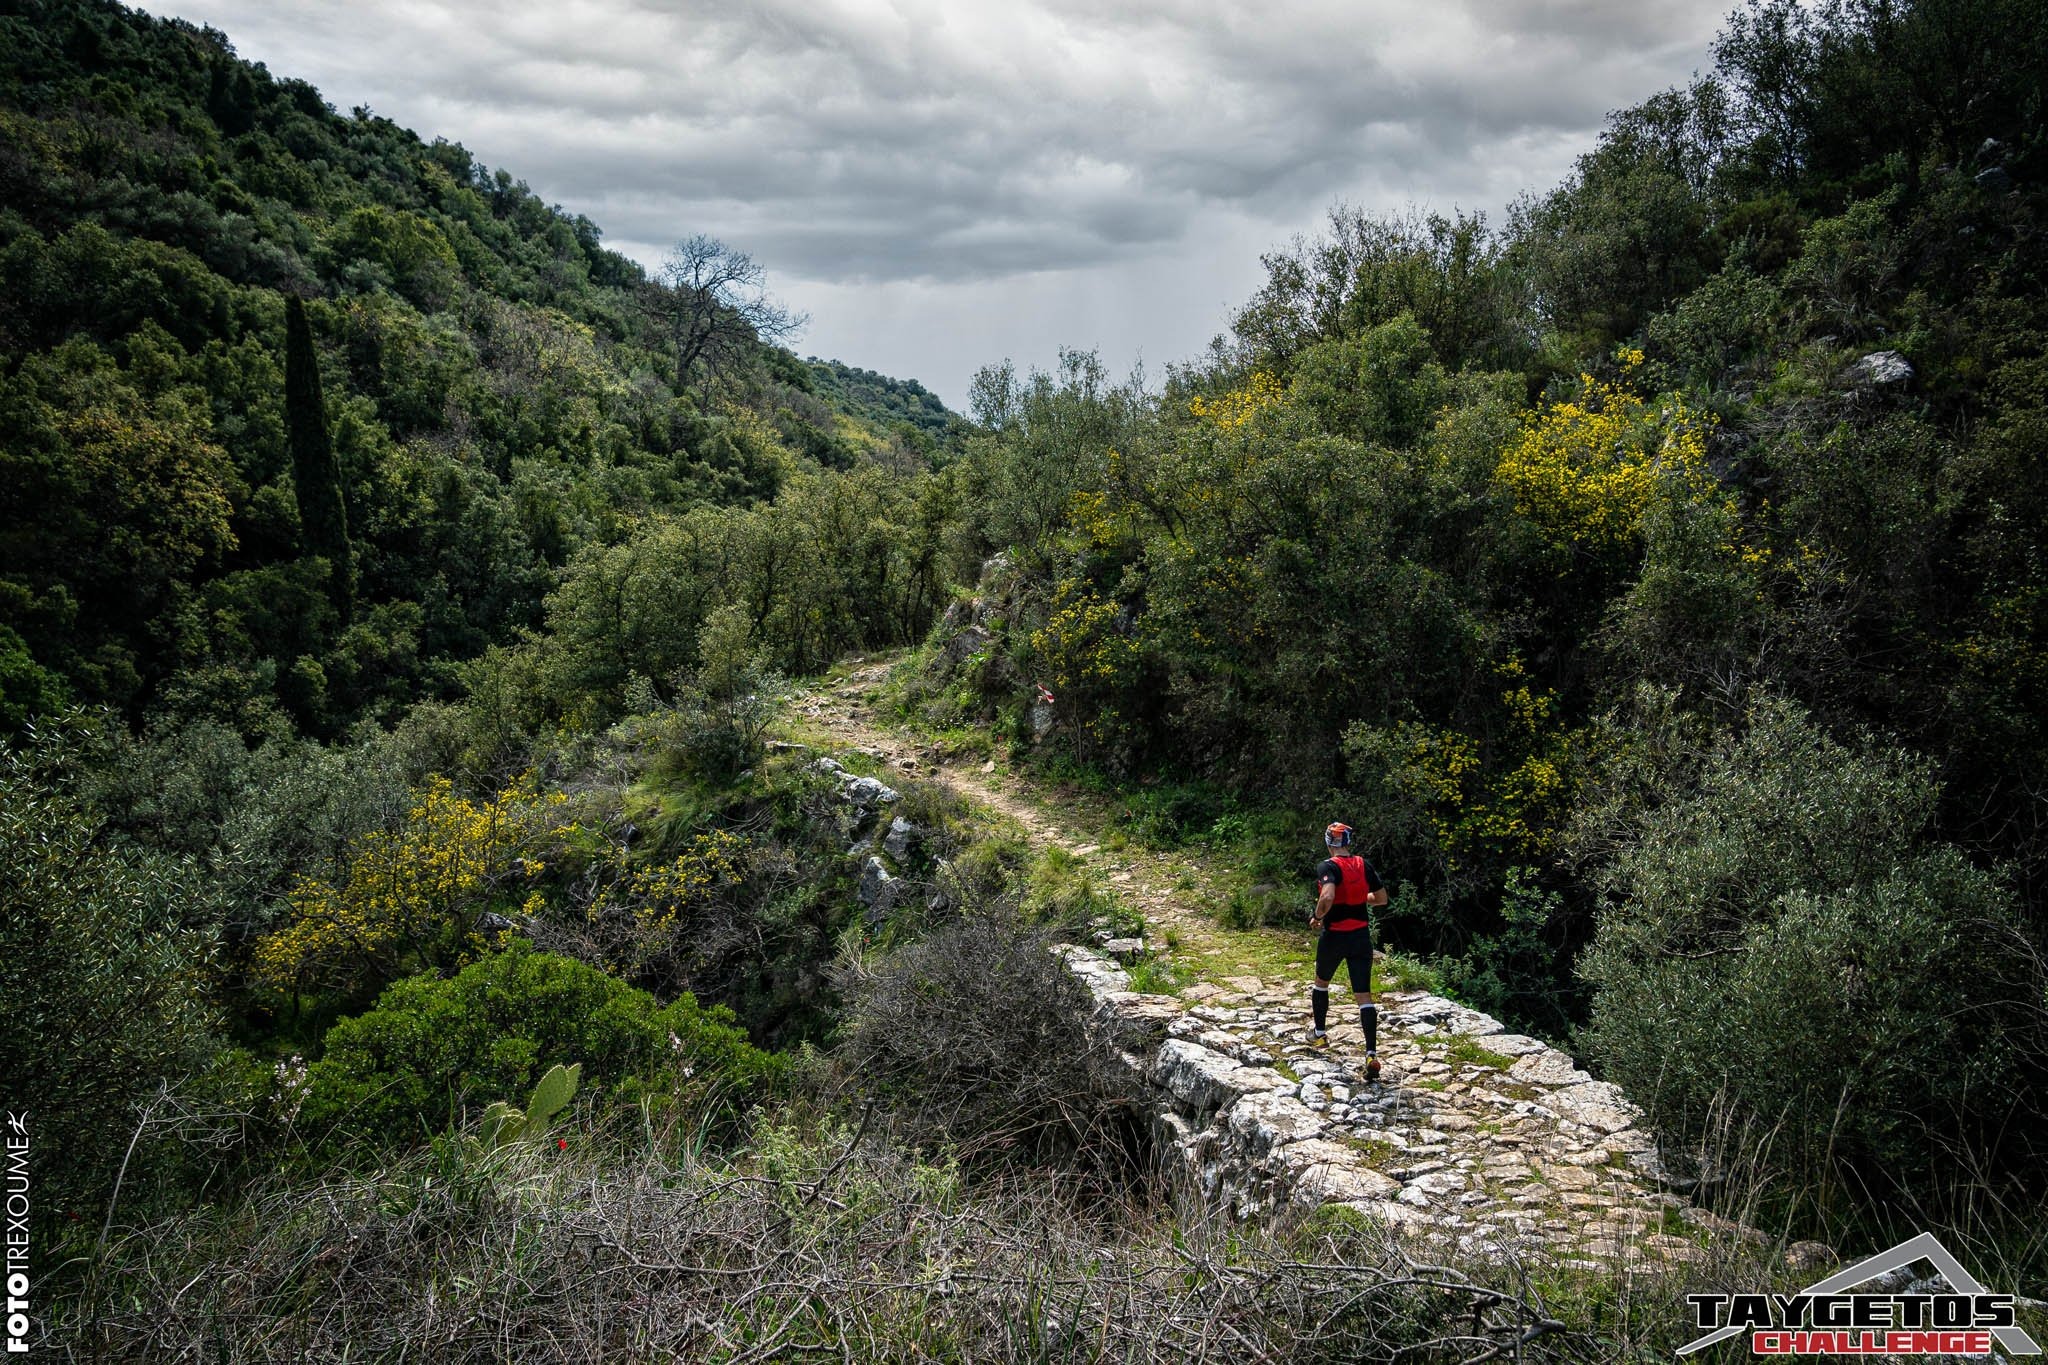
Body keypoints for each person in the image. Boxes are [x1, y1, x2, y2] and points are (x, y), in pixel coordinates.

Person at [1308, 822, 1389, 1079]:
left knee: (1321, 983)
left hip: (1335, 936)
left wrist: (1317, 916)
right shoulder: (1364, 865)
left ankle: (1320, 1035)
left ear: (1329, 842)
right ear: (1348, 842)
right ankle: (1371, 1053)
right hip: (1361, 937)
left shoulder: (1328, 866)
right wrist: (1358, 898)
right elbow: (1381, 899)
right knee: (1364, 996)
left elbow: (1328, 896)